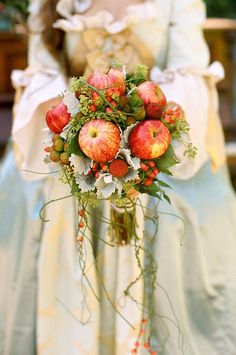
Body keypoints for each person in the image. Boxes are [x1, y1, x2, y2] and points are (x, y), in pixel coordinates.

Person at [0, 0, 236, 354]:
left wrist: (137, 143)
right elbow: (42, 76)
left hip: (156, 151)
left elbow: (188, 71)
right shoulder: (48, 4)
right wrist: (82, 139)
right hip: (73, 156)